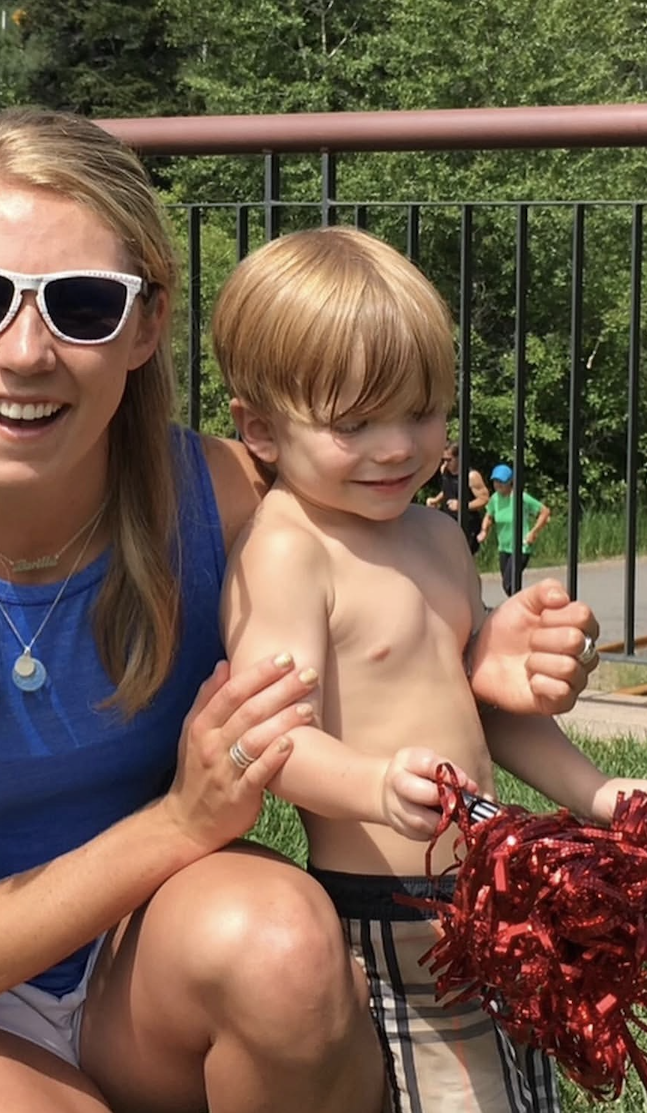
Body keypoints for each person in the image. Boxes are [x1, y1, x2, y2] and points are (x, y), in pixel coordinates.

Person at [0, 111, 601, 1113]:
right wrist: (182, 821)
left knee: (277, 947)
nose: (25, 352)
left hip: (144, 966)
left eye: (82, 305)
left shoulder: (226, 505)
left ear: (145, 325)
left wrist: (487, 649)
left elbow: (398, 600)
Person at [213, 226, 640, 1113]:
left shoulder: (439, 538)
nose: (398, 447)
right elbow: (269, 740)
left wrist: (596, 795)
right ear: (259, 429)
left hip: (492, 888)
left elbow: (487, 707)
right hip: (389, 908)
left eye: (421, 411)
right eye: (354, 423)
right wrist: (374, 783)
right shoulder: (288, 552)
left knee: (522, 1094)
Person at [479, 463, 551, 596]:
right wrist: (484, 531)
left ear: (510, 481)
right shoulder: (495, 499)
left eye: (501, 482)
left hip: (521, 547)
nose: (498, 485)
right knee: (509, 586)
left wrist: (533, 532)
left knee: (509, 583)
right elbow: (489, 516)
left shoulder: (521, 497)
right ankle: (523, 608)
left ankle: (526, 605)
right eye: (495, 481)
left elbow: (544, 511)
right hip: (504, 547)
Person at [425, 438, 489, 554]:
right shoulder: (444, 470)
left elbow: (484, 499)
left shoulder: (471, 476)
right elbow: (447, 490)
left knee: (462, 559)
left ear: (459, 458)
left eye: (449, 460)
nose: (445, 463)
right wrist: (436, 500)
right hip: (448, 522)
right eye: (443, 459)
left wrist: (462, 505)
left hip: (467, 525)